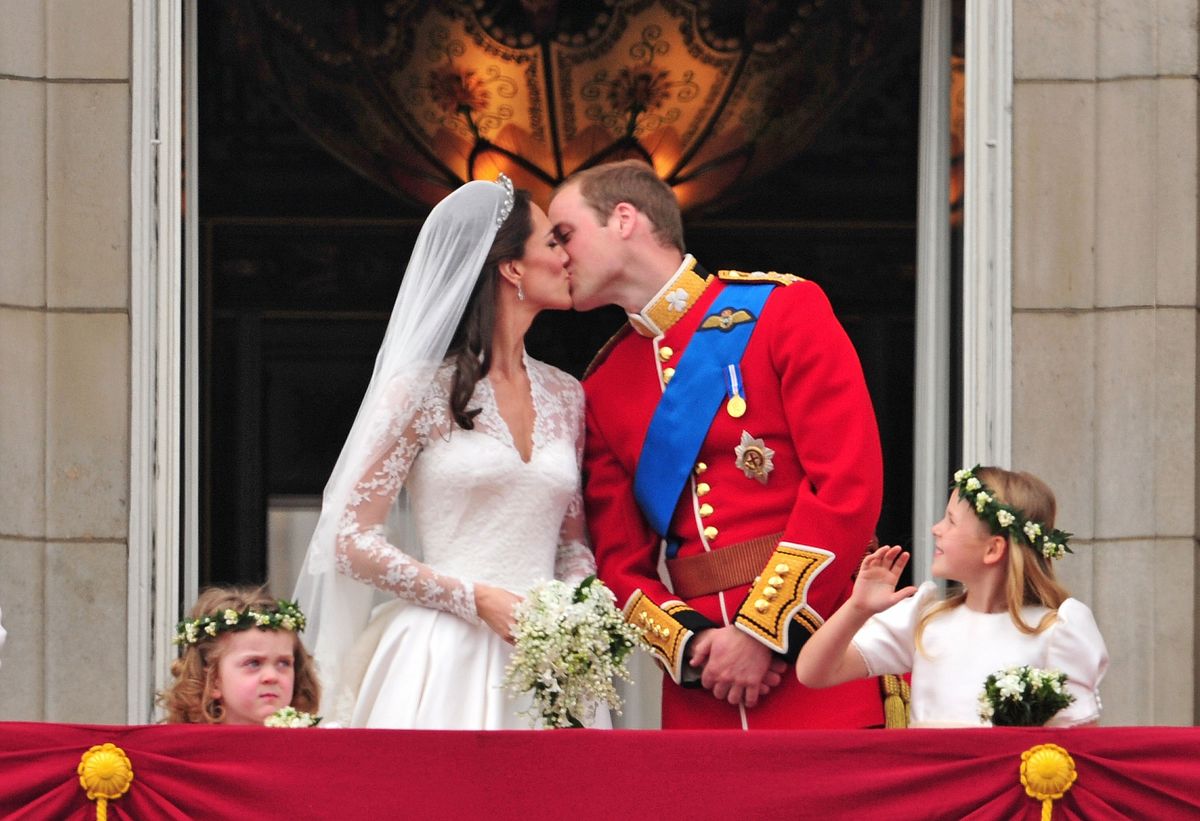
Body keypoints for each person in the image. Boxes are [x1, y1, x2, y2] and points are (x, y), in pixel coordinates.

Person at [548, 159, 886, 729]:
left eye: (566, 234)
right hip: (704, 686)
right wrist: (695, 647)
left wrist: (762, 632)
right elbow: (618, 560)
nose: (557, 255)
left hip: (821, 653)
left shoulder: (782, 311)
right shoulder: (603, 385)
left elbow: (847, 487)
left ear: (624, 219)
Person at [293, 176, 602, 729]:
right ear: (512, 268)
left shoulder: (567, 394)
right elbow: (348, 539)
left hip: (551, 663)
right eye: (553, 243)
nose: (568, 256)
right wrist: (473, 597)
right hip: (443, 657)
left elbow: (572, 545)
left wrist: (575, 612)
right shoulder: (420, 391)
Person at [795, 466, 1109, 727]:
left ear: (993, 549)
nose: (935, 528)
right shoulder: (925, 618)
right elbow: (813, 673)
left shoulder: (1056, 630)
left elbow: (1078, 745)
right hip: (932, 797)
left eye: (951, 520)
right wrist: (857, 608)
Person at [157, 586, 321, 725]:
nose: (271, 676)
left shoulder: (313, 748)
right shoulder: (185, 750)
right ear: (213, 680)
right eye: (254, 663)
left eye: (283, 663)